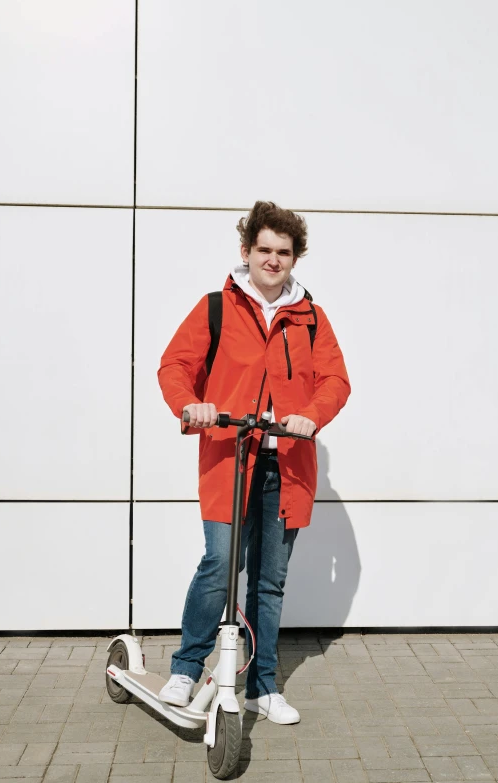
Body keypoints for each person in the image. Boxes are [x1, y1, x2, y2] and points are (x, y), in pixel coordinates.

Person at [157, 200, 350, 724]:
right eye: (264, 249)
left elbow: (335, 381)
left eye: (283, 252)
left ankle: (263, 686)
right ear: (247, 251)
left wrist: (312, 415)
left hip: (285, 467)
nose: (273, 259)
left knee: (270, 580)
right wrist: (189, 404)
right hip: (230, 456)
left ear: (294, 258)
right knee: (220, 564)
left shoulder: (310, 317)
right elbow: (175, 365)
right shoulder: (217, 307)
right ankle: (185, 666)